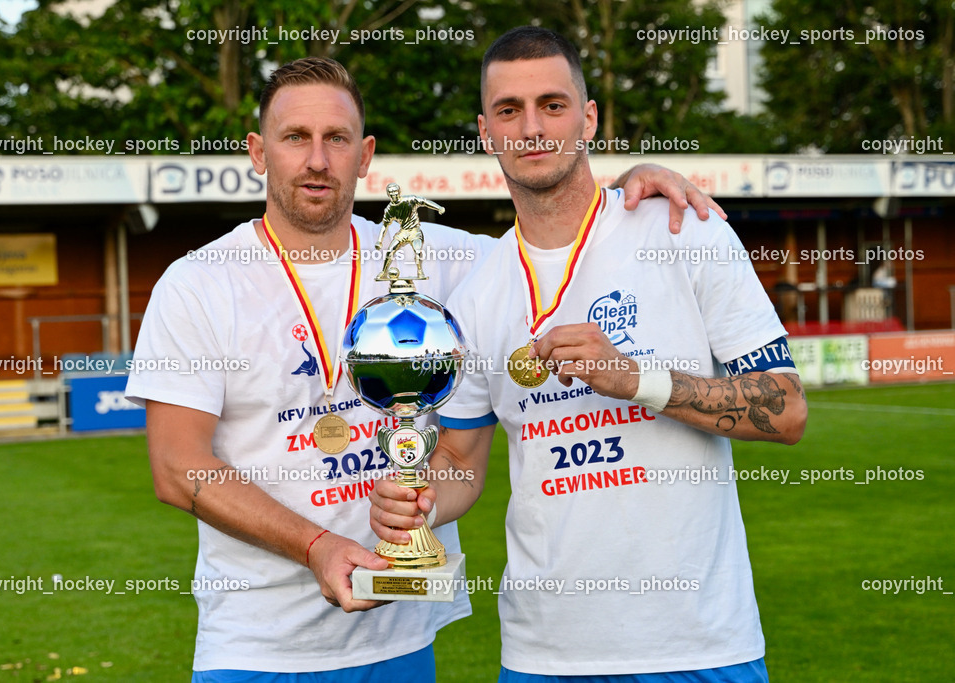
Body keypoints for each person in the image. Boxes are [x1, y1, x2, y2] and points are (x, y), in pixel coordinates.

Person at [125, 55, 728, 682]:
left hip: (400, 638)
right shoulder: (198, 283)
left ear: (365, 155)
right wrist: (317, 547)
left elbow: (559, 234)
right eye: (294, 138)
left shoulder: (438, 258)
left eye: (337, 139)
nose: (316, 160)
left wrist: (636, 187)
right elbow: (177, 469)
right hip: (258, 648)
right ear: (258, 151)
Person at [370, 27, 808, 683]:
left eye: (553, 104)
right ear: (485, 131)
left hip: (695, 644)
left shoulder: (684, 229)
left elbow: (786, 410)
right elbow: (460, 460)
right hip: (544, 654)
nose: (533, 128)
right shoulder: (476, 297)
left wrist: (636, 379)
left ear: (590, 117)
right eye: (509, 110)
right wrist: (418, 501)